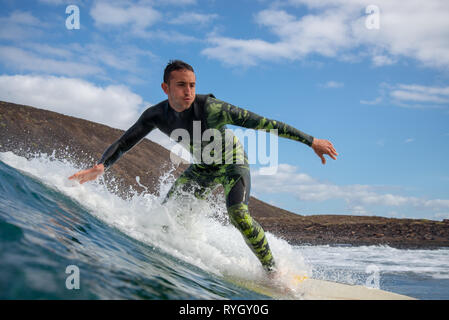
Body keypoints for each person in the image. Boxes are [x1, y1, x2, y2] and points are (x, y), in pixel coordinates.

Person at [69, 60, 338, 275]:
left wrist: (310, 141)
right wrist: (102, 165)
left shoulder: (212, 108)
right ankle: (166, 265)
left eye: (192, 85)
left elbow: (265, 123)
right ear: (166, 88)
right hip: (203, 168)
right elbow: (126, 140)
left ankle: (272, 272)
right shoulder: (155, 115)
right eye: (181, 85)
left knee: (238, 215)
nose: (188, 92)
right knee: (167, 218)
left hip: (233, 164)